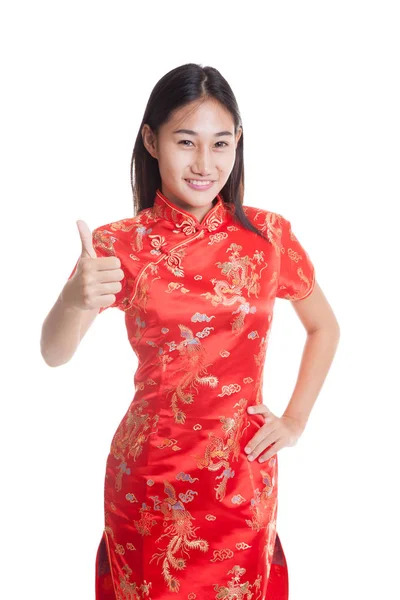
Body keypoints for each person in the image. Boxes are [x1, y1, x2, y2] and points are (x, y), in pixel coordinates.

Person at [41, 63, 340, 599]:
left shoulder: (268, 237)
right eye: (186, 142)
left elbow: (324, 327)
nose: (205, 164)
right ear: (152, 142)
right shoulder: (118, 245)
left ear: (238, 144)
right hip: (150, 477)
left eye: (220, 143)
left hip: (242, 477)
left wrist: (294, 419)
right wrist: (73, 296)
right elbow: (54, 352)